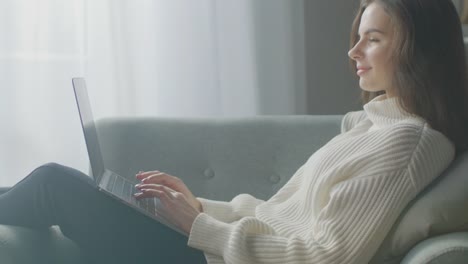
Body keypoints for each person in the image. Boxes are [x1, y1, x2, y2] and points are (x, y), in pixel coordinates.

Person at [1, 0, 468, 263]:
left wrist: (196, 226)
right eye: (359, 35)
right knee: (66, 187)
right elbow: (279, 216)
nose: (353, 51)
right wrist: (197, 208)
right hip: (216, 251)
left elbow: (327, 256)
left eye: (374, 38)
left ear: (417, 49)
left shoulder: (408, 142)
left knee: (54, 184)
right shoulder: (375, 125)